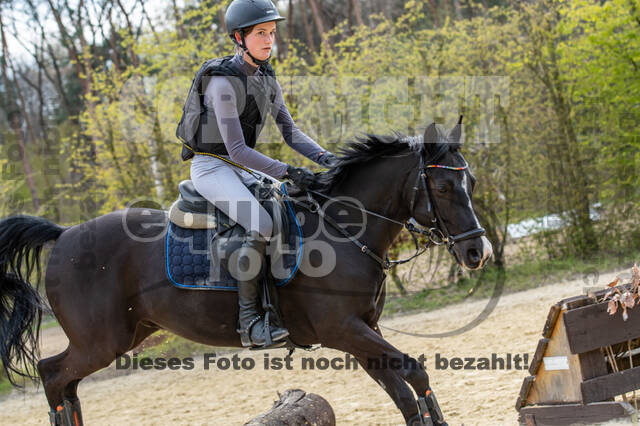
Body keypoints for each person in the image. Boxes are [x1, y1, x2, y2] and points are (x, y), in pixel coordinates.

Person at [176, 0, 336, 348]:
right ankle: (250, 323)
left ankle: (287, 312)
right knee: (261, 225)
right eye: (260, 33)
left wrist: (328, 159)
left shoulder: (267, 79)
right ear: (239, 37)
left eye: (272, 33)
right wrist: (290, 171)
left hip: (239, 167)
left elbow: (291, 133)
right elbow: (236, 150)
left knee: (291, 208)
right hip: (211, 166)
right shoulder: (222, 83)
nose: (268, 40)